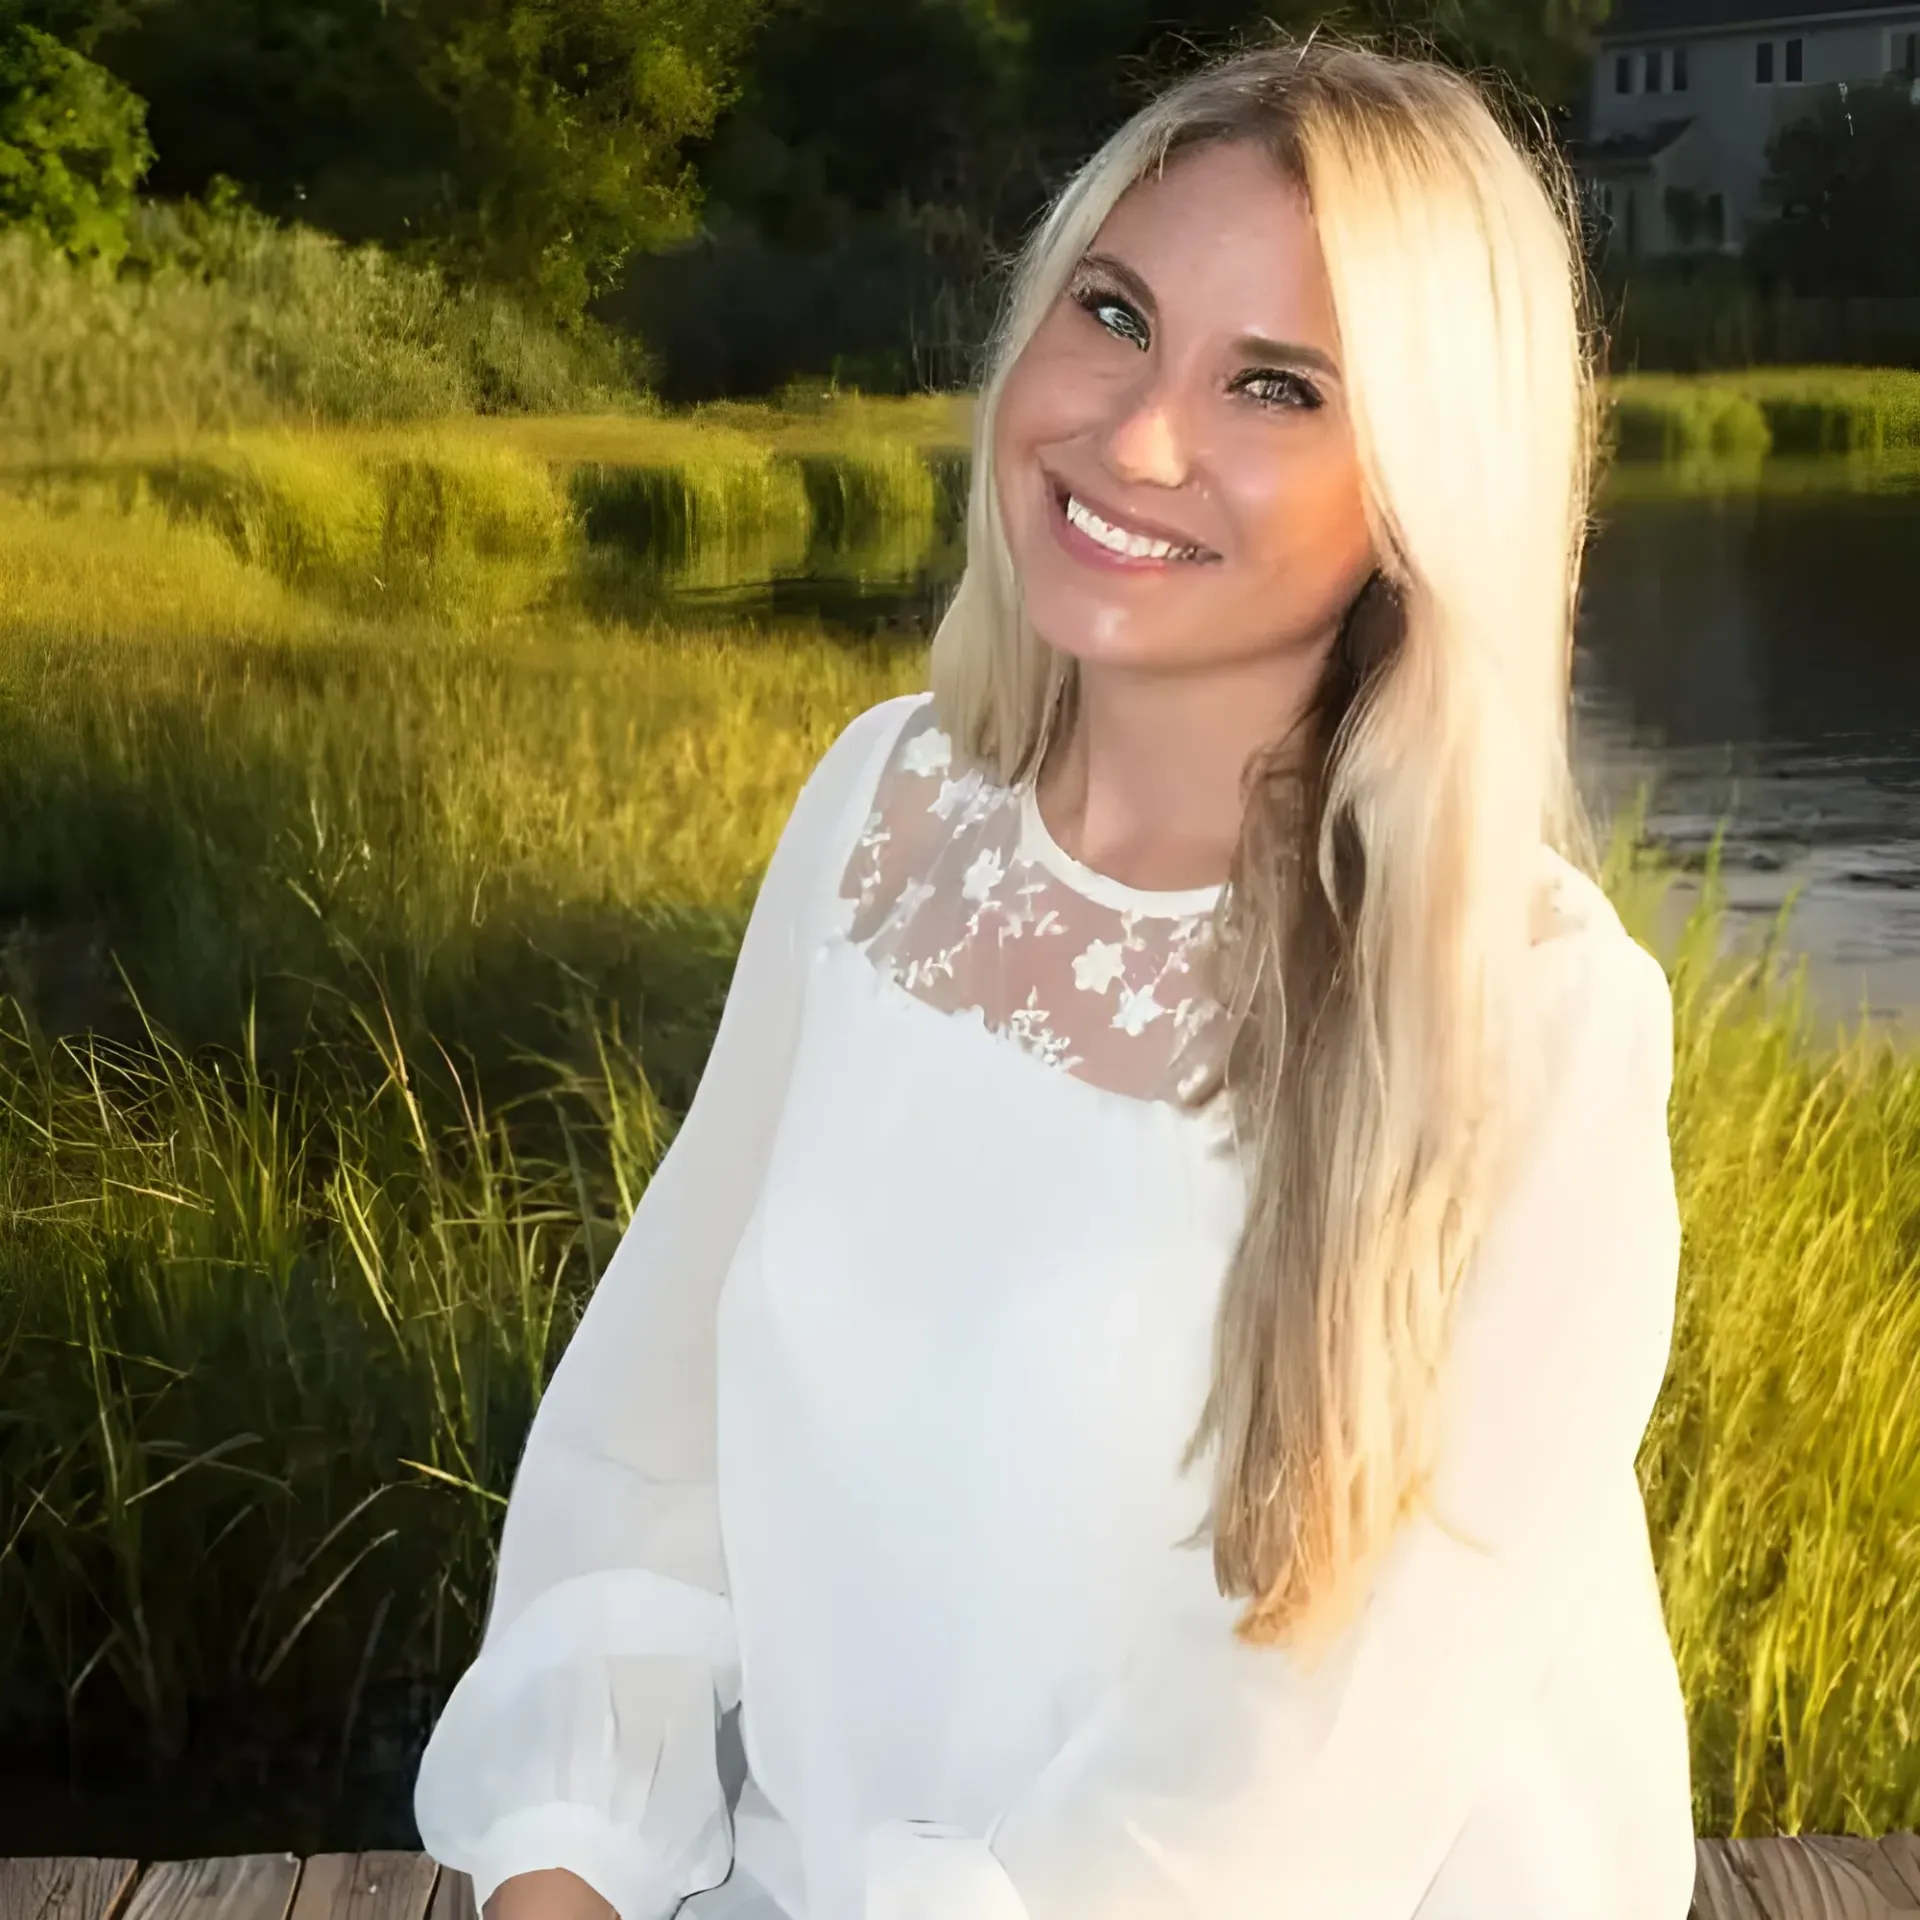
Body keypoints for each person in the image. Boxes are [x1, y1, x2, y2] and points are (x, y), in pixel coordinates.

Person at [413, 33, 1697, 1920]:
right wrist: (563, 1862)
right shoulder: (881, 814)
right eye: (1115, 313)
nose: (1136, 436)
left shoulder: (1532, 1018)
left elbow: (1303, 1772)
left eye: (1276, 386)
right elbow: (654, 1426)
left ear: (1420, 494)